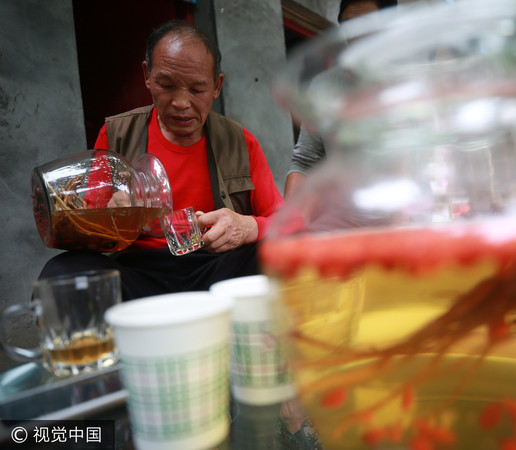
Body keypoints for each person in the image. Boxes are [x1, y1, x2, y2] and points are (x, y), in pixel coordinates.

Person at [38, 21, 284, 300]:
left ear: (217, 86)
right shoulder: (117, 135)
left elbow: (285, 221)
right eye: (166, 85)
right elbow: (89, 228)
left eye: (197, 90)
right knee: (62, 274)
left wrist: (246, 227)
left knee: (280, 255)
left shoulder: (240, 142)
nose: (181, 102)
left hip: (217, 268)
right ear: (147, 75)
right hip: (140, 272)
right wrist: (114, 218)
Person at [283, 0, 397, 199]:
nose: (355, 36)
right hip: (343, 219)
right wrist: (290, 221)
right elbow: (304, 162)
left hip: (408, 217)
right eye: (348, 26)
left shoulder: (411, 81)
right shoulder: (323, 86)